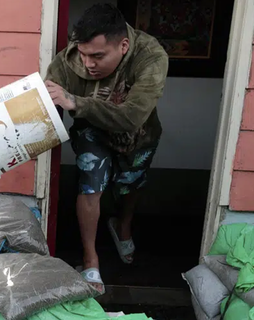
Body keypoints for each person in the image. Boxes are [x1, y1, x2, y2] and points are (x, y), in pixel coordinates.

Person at [44, 3, 168, 293]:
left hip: (138, 133)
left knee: (131, 184)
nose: (88, 63)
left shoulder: (151, 56)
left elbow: (133, 116)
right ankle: (91, 261)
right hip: (92, 131)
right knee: (91, 183)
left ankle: (122, 224)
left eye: (98, 56)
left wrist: (76, 102)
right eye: (84, 54)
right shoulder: (67, 61)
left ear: (123, 45)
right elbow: (44, 105)